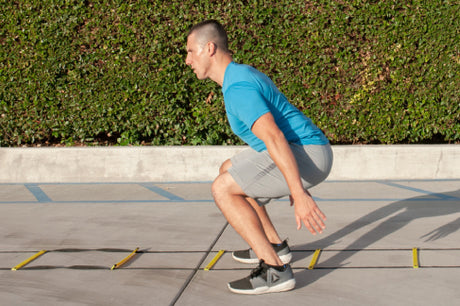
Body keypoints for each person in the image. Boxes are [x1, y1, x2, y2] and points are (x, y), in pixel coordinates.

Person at [185, 20, 333, 295]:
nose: (187, 60)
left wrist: (297, 191)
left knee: (223, 189)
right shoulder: (239, 75)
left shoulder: (238, 88)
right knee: (228, 169)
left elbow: (274, 137)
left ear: (209, 48)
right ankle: (274, 245)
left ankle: (275, 269)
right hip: (306, 150)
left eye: (191, 51)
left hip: (307, 153)